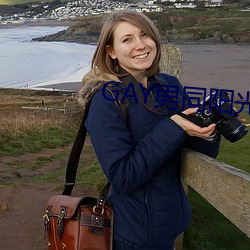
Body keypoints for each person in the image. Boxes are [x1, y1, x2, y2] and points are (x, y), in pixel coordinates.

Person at [78, 10, 220, 250]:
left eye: (145, 35)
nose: (140, 45)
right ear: (111, 51)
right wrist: (174, 126)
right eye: (127, 39)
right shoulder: (106, 100)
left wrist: (210, 128)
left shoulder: (169, 85)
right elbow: (122, 176)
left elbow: (200, 152)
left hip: (172, 226)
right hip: (133, 235)